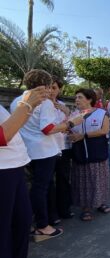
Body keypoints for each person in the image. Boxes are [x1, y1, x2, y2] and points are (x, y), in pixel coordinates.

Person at [11, 69, 83, 242]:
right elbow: (48, 129)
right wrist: (72, 122)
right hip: (44, 151)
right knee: (41, 188)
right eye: (50, 86)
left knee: (37, 187)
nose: (51, 90)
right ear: (44, 85)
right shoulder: (45, 103)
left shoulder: (16, 101)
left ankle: (36, 221)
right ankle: (43, 226)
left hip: (27, 151)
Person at [0, 86, 46, 258]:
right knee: (4, 231)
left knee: (22, 221)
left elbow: (13, 125)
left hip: (14, 167)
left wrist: (30, 105)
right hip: (3, 171)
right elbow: (2, 136)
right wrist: (26, 104)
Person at [69, 88, 110, 221]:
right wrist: (71, 135)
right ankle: (86, 208)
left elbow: (104, 130)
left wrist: (84, 136)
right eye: (76, 98)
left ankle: (100, 203)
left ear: (90, 99)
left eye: (80, 97)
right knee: (83, 182)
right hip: (80, 153)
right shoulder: (73, 115)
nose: (77, 100)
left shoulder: (101, 113)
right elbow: (68, 131)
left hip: (97, 151)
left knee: (98, 180)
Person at [49, 76, 75, 220]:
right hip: (47, 149)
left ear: (59, 90)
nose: (51, 91)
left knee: (63, 179)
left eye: (54, 88)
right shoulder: (40, 105)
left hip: (63, 147)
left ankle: (64, 209)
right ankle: (52, 214)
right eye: (49, 88)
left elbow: (69, 125)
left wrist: (67, 113)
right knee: (48, 183)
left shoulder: (62, 105)